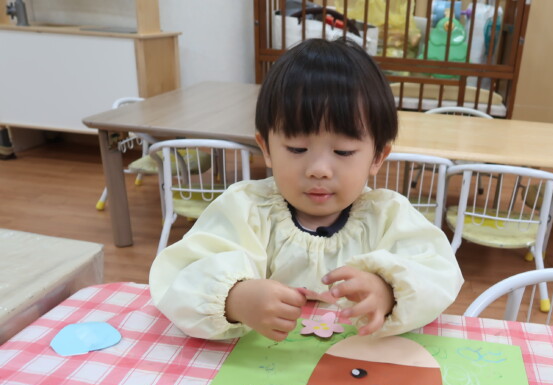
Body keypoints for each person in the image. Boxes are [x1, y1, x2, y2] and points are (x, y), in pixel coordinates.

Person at [149, 38, 463, 341]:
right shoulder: (244, 209)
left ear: (378, 156)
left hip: (357, 360)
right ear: (266, 148)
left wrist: (388, 292)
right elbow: (179, 279)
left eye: (343, 152)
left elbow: (437, 275)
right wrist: (235, 298)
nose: (319, 169)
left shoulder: (389, 216)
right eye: (297, 149)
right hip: (260, 366)